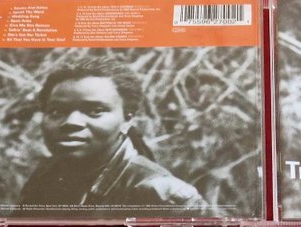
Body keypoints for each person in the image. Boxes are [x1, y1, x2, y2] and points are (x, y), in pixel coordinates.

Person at [20, 56, 205, 216]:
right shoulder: (48, 173)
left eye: (95, 111)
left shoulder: (163, 195)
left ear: (127, 120)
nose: (71, 122)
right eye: (56, 111)